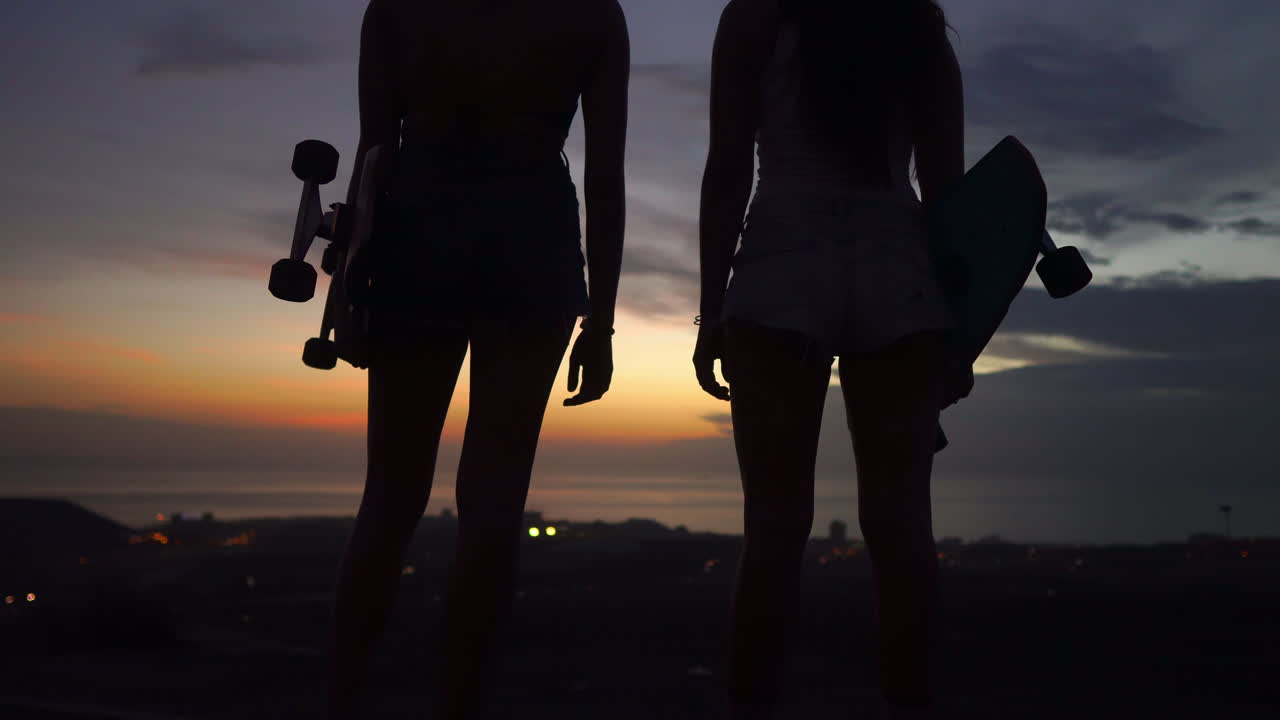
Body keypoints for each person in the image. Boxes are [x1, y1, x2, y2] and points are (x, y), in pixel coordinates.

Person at [324, 2, 628, 718]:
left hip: (415, 224)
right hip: (533, 234)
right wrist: (601, 320)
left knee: (389, 500)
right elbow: (607, 174)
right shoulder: (592, 14)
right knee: (492, 509)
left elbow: (375, 150)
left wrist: (347, 296)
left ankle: (341, 702)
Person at [693, 0, 967, 718]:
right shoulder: (918, 26)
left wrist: (710, 310)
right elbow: (947, 192)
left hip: (780, 260)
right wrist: (960, 330)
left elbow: (727, 167)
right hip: (898, 264)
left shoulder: (754, 17)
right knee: (902, 521)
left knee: (776, 524)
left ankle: (750, 705)